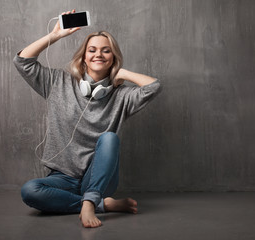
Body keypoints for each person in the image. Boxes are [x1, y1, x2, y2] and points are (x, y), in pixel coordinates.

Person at [13, 10, 161, 228]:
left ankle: (93, 197)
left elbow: (154, 87)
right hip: (62, 178)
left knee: (109, 138)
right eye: (92, 50)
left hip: (99, 179)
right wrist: (54, 36)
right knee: (30, 191)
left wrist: (123, 74)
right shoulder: (58, 82)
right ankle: (98, 205)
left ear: (113, 58)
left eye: (106, 51)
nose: (98, 54)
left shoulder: (122, 96)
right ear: (83, 57)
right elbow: (23, 62)